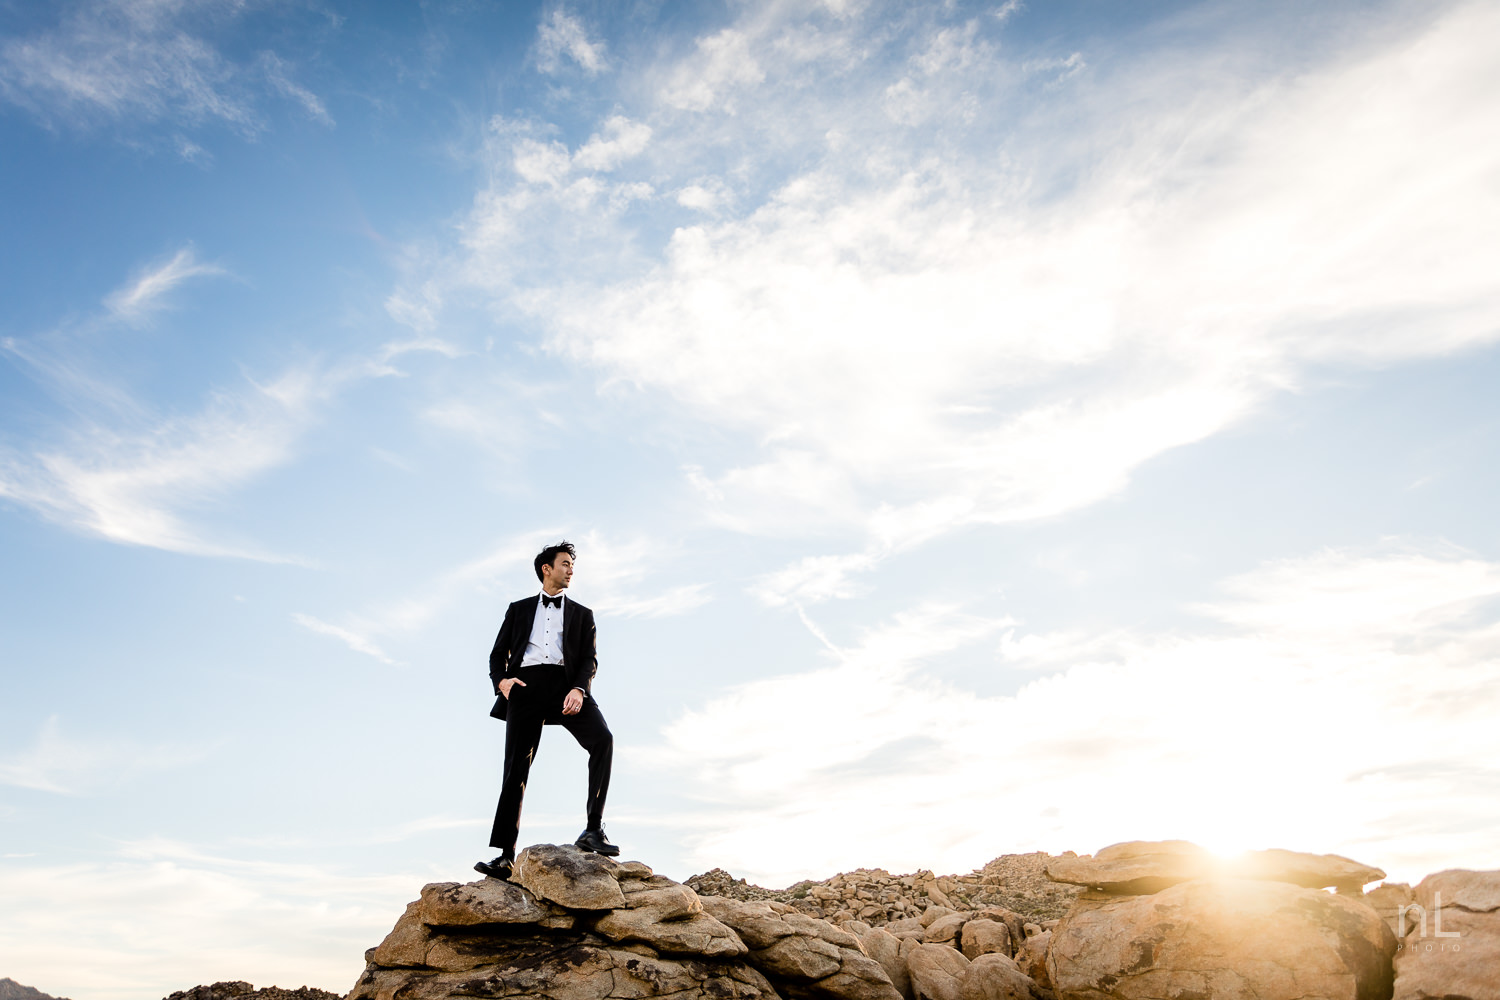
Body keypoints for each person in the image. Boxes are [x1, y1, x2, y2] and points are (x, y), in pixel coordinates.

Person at [475, 541, 618, 879]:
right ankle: (504, 855)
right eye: (565, 563)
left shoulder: (583, 615)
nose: (570, 570)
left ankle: (593, 831)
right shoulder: (519, 609)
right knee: (515, 769)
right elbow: (498, 654)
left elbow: (588, 660)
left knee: (603, 740)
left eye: (573, 565)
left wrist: (579, 689)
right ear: (546, 569)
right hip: (525, 688)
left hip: (566, 685)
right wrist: (503, 682)